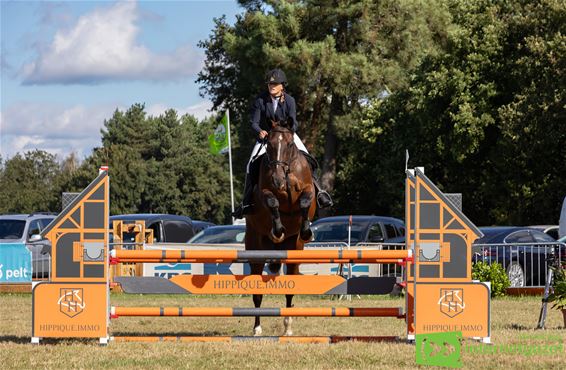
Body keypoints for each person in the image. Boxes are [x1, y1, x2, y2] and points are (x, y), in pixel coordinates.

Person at [232, 68, 333, 219]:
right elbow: (254, 122)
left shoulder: (290, 101)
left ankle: (320, 192)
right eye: (270, 84)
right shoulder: (261, 100)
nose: (271, 86)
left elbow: (294, 121)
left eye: (275, 84)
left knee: (308, 159)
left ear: (282, 86)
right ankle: (246, 203)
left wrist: (288, 132)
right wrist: (260, 131)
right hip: (267, 138)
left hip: (287, 136)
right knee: (250, 165)